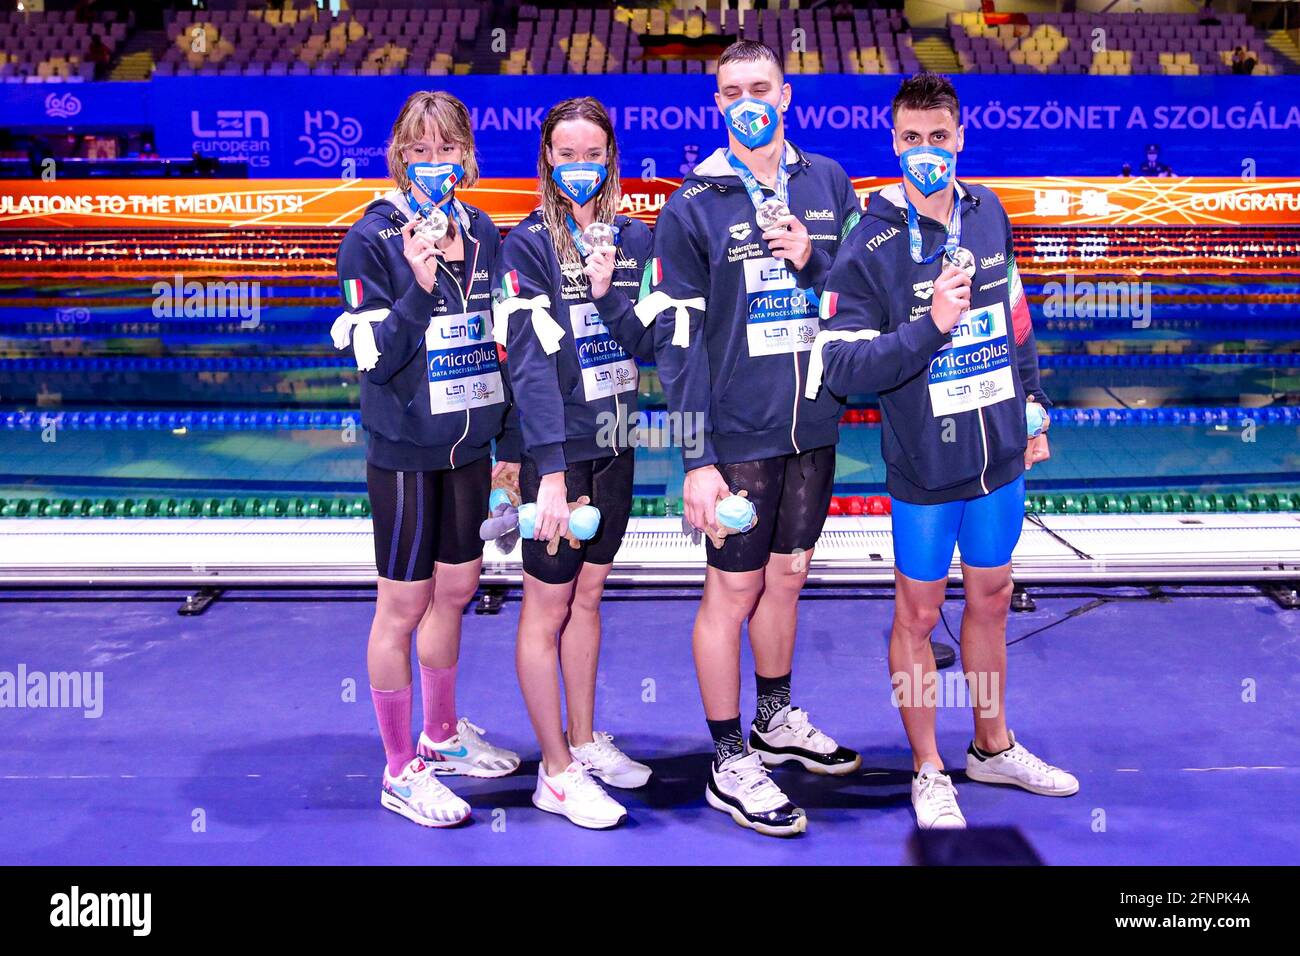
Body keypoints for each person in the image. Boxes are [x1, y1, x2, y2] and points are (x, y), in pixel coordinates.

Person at [805, 72, 1078, 830]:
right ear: (895, 144)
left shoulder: (988, 211)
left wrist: (1034, 409)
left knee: (990, 600)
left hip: (998, 458)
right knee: (919, 616)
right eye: (912, 139)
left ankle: (991, 745)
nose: (927, 151)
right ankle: (929, 767)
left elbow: (1014, 320)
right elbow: (842, 366)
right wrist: (928, 327)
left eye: (939, 137)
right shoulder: (869, 243)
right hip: (926, 464)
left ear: (961, 138)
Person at [646, 40, 863, 837]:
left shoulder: (827, 181)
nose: (748, 100)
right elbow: (676, 345)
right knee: (731, 592)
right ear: (717, 103)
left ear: (787, 93)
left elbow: (861, 290)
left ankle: (774, 718)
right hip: (736, 433)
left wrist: (818, 257)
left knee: (788, 575)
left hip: (811, 421)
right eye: (732, 89)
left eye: (761, 86)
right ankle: (728, 756)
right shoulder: (694, 202)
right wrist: (697, 460)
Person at [333, 90, 522, 828]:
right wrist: (415, 284)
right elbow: (377, 362)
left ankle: (439, 738)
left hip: (469, 445)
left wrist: (506, 448)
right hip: (407, 450)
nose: (434, 164)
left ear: (467, 155)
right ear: (399, 156)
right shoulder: (370, 238)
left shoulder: (481, 231)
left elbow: (498, 344)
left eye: (447, 150)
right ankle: (398, 768)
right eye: (420, 151)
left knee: (457, 589)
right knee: (403, 604)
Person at [494, 96, 655, 830]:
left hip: (616, 438)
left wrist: (610, 290)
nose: (580, 167)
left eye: (594, 155)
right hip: (557, 454)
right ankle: (553, 773)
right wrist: (547, 472)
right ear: (547, 161)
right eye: (568, 155)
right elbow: (527, 368)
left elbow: (655, 346)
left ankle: (584, 742)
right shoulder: (525, 246)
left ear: (610, 159)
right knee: (547, 605)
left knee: (588, 598)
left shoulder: (637, 240)